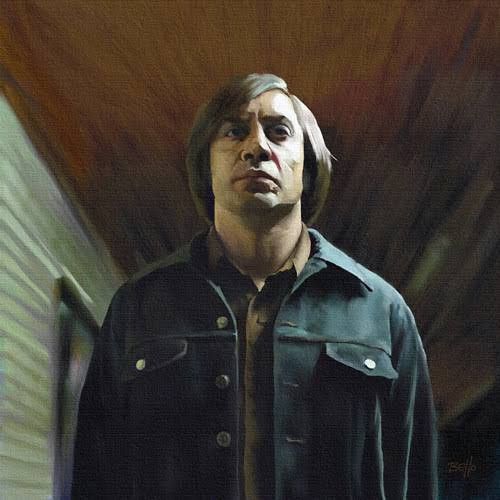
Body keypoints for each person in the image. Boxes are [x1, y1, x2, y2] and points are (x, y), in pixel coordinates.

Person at [72, 73, 438, 499]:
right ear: (206, 166)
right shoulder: (138, 307)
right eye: (234, 131)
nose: (256, 147)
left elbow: (417, 480)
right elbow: (95, 479)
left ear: (308, 166)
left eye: (279, 132)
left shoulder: (381, 312)